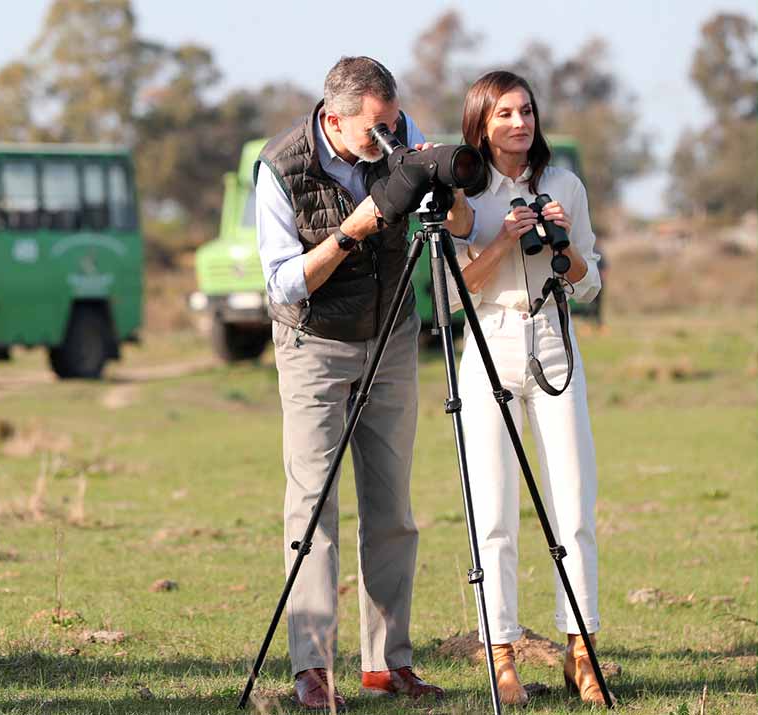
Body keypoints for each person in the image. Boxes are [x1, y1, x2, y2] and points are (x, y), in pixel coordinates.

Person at [255, 56, 473, 710]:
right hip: (314, 341)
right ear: (334, 119)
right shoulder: (280, 166)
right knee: (314, 506)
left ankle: (389, 663)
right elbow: (283, 282)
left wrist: (434, 182)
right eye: (375, 128)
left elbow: (459, 227)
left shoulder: (400, 135)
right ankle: (313, 671)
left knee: (394, 509)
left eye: (394, 121)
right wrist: (360, 224)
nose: (387, 137)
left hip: (392, 334)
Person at [453, 70, 611, 706]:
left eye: (526, 111)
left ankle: (582, 651)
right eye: (505, 115)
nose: (520, 124)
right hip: (490, 342)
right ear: (482, 124)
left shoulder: (565, 183)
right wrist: (503, 239)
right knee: (493, 512)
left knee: (573, 503)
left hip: (553, 339)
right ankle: (502, 654)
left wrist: (562, 240)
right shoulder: (464, 192)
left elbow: (589, 279)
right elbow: (462, 290)